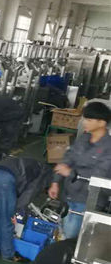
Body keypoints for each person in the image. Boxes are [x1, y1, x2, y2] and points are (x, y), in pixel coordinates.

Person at [48, 101, 111, 239]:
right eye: (84, 119)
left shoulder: (108, 147)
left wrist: (70, 173)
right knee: (59, 234)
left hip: (86, 202)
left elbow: (100, 176)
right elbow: (68, 158)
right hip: (68, 196)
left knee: (70, 238)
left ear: (101, 123)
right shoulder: (84, 138)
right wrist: (55, 182)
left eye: (89, 120)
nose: (84, 122)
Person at [0, 156, 52, 262]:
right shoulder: (45, 174)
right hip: (5, 179)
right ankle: (8, 254)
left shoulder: (33, 164)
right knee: (7, 218)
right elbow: (28, 194)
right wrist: (14, 209)